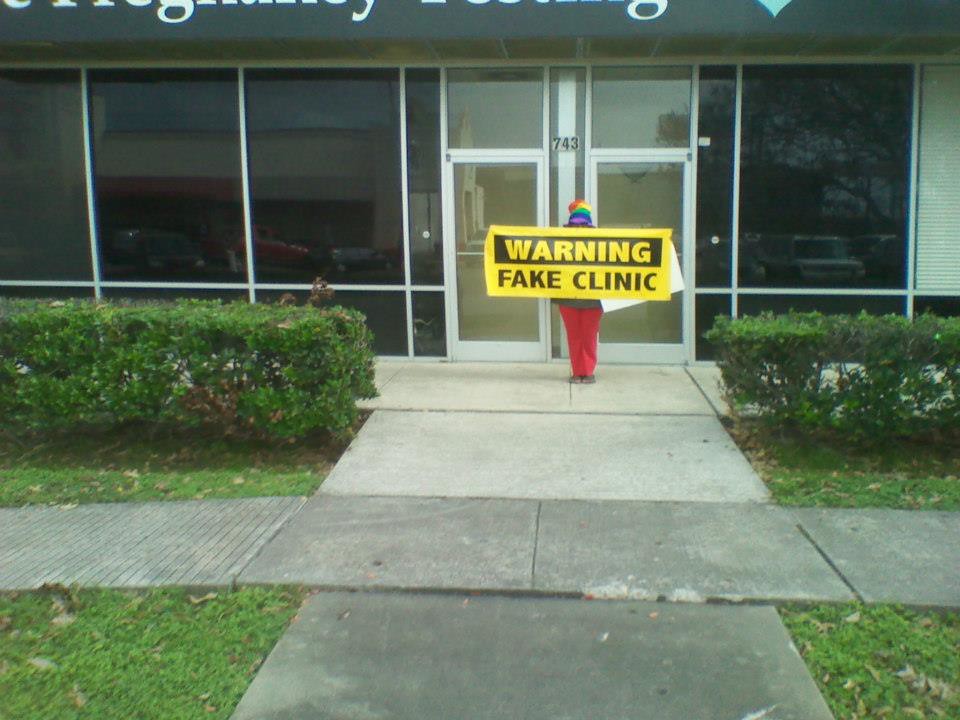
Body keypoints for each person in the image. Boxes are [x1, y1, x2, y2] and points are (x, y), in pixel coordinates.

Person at [554, 199, 603, 384]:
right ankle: (577, 371)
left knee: (589, 336)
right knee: (574, 337)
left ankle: (588, 371)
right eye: (577, 225)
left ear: (590, 227)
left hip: (593, 300)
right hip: (568, 299)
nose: (580, 228)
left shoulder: (601, 244)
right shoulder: (559, 244)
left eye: (583, 225)